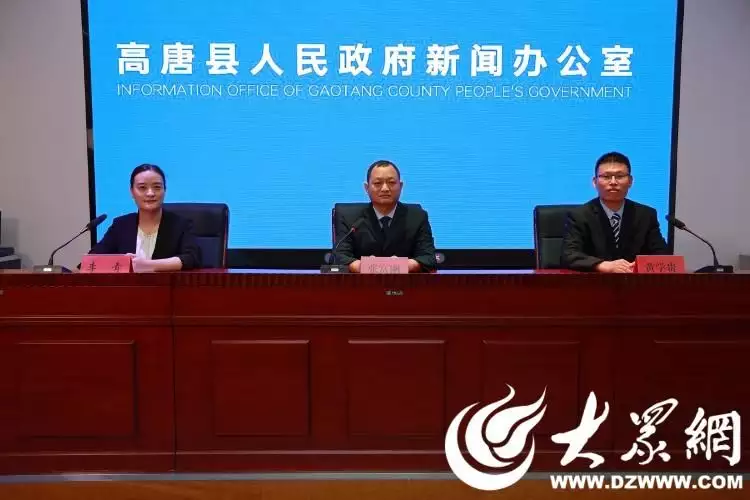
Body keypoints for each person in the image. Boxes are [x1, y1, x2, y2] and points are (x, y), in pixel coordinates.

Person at [561, 152, 668, 273]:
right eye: (606, 177)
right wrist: (603, 265)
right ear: (595, 182)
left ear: (630, 181)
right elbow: (569, 255)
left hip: (634, 281)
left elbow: (662, 254)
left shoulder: (646, 215)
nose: (613, 182)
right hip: (593, 281)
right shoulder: (579, 215)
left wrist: (640, 265)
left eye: (619, 176)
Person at [88, 164, 202, 271]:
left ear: (164, 190)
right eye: (142, 188)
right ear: (132, 192)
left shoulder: (180, 224)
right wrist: (124, 262)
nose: (150, 193)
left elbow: (191, 258)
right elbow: (92, 259)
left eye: (157, 187)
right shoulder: (121, 225)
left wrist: (148, 265)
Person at [333, 160, 437, 273]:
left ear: (401, 186)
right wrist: (366, 266)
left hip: (404, 282)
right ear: (366, 188)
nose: (385, 189)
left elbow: (429, 258)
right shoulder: (349, 218)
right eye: (378, 183)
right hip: (361, 282)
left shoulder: (417, 217)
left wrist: (401, 265)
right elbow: (339, 257)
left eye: (391, 182)